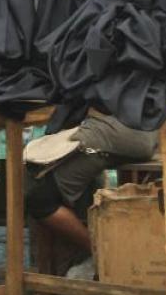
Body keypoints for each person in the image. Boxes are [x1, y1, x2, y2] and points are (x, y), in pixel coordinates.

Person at [25, 114, 157, 273]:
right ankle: (84, 260)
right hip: (142, 131)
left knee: (39, 199)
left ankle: (102, 252)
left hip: (119, 131)